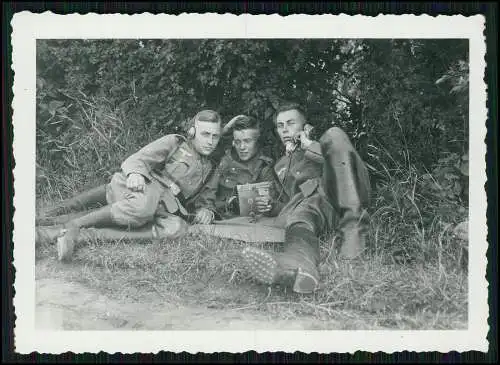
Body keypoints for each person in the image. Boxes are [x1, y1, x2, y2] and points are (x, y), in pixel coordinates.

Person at [36, 109, 223, 261]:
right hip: (138, 188)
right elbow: (139, 159)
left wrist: (207, 210)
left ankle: (80, 235)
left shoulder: (213, 168)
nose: (210, 141)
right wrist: (135, 174)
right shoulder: (174, 143)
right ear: (192, 132)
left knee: (177, 229)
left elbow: (207, 200)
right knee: (142, 205)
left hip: (160, 207)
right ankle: (71, 226)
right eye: (206, 134)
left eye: (215, 136)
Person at [240, 102, 371, 294]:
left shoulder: (326, 145)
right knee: (298, 220)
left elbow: (342, 165)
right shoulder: (280, 165)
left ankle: (354, 229)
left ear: (304, 126)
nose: (285, 129)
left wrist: (309, 145)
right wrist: (271, 206)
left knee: (334, 133)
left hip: (340, 194)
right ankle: (297, 266)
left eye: (291, 123)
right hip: (313, 209)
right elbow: (288, 202)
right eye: (280, 125)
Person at [196, 115, 277, 220]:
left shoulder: (264, 167)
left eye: (247, 141)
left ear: (257, 141)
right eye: (238, 142)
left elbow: (271, 203)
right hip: (218, 218)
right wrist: (207, 210)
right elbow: (209, 192)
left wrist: (268, 203)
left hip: (247, 223)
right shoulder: (224, 161)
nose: (242, 147)